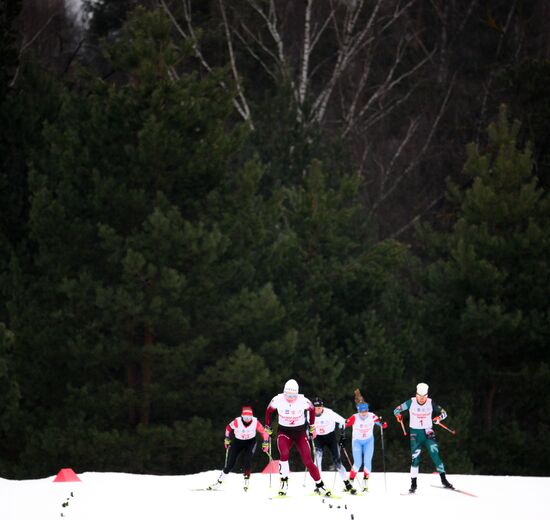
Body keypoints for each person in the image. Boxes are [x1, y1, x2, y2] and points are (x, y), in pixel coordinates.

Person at [265, 379, 331, 496]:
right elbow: (268, 411)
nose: (290, 397)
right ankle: (284, 483)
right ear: (284, 392)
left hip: (300, 433)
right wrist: (268, 426)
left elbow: (311, 410)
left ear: (297, 393)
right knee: (284, 454)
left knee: (308, 460)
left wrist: (312, 426)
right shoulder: (277, 399)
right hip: (284, 432)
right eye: (288, 395)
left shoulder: (303, 401)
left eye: (293, 395)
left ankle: (320, 485)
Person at [393, 382, 454, 493]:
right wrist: (398, 416)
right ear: (416, 395)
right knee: (415, 459)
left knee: (435, 455)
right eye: (419, 397)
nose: (421, 399)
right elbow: (396, 410)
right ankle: (413, 484)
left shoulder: (431, 403)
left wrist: (439, 418)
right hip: (415, 434)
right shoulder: (411, 402)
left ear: (427, 395)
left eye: (424, 397)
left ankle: (444, 480)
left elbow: (444, 413)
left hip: (428, 432)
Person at [209, 405, 269, 491]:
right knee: (231, 463)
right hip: (238, 442)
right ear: (242, 416)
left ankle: (246, 480)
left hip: (251, 442)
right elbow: (228, 428)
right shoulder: (237, 421)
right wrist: (226, 439)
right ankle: (219, 482)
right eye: (245, 417)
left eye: (249, 417)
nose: (247, 419)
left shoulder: (255, 422)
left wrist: (265, 443)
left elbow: (263, 432)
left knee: (247, 459)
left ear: (252, 416)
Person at [311, 397, 357, 494]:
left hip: (330, 438)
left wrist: (342, 436)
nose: (317, 410)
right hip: (317, 438)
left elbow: (343, 421)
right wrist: (307, 433)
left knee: (337, 462)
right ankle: (318, 485)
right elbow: (305, 425)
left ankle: (347, 483)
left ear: (322, 406)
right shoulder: (309, 414)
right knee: (317, 460)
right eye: (315, 407)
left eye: (319, 407)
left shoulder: (329, 413)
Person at [343, 398, 387, 492]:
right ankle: (350, 481)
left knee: (367, 461)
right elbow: (345, 424)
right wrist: (342, 424)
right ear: (358, 411)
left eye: (366, 411)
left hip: (368, 441)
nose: (364, 413)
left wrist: (383, 424)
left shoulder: (372, 416)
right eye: (362, 411)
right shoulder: (354, 417)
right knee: (357, 463)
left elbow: (381, 424)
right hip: (357, 442)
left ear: (368, 410)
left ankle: (365, 481)